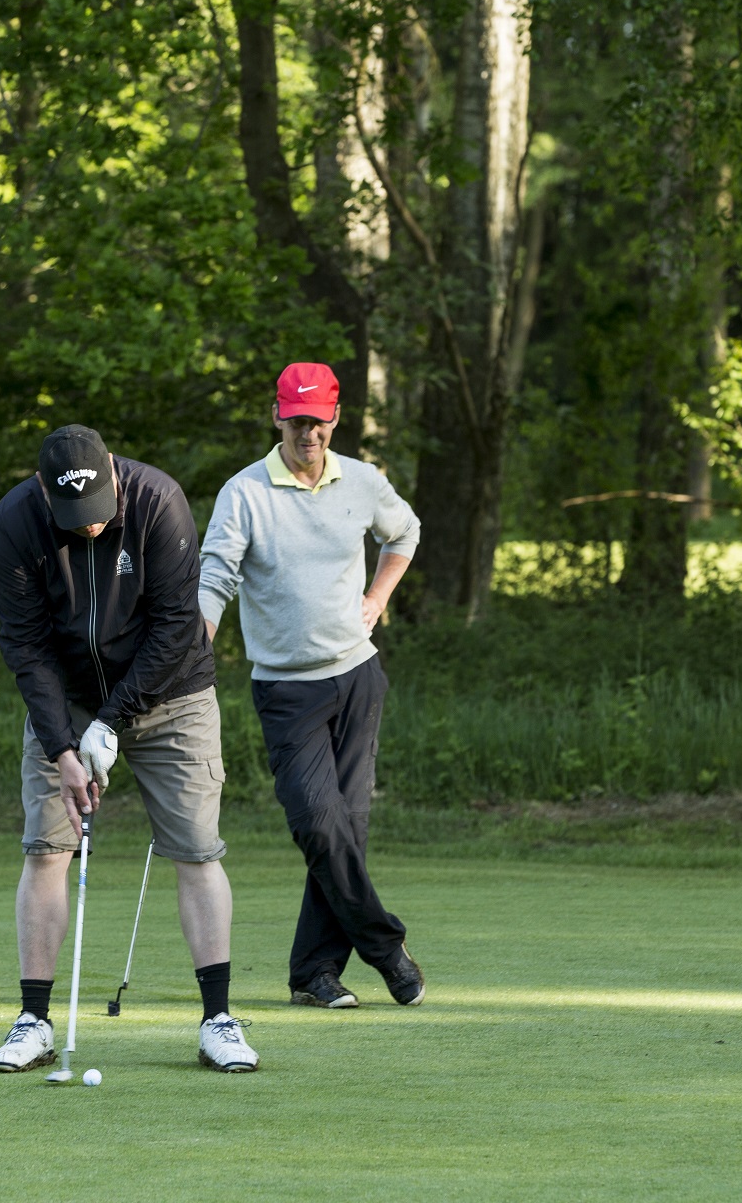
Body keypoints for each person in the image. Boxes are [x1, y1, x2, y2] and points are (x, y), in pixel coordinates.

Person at [0, 424, 257, 1074]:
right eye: (74, 519)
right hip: (67, 699)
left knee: (195, 849)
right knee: (47, 849)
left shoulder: (158, 501)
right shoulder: (16, 523)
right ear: (47, 496)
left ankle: (218, 1018)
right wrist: (64, 748)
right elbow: (27, 648)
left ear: (111, 470)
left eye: (99, 513)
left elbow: (177, 628)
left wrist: (112, 721)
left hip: (171, 693)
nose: (91, 530)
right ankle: (33, 1021)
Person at [198, 363, 425, 1011]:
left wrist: (378, 596)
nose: (309, 435)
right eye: (298, 422)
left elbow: (403, 531)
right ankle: (386, 949)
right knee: (321, 827)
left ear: (335, 418)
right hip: (288, 690)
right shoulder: (244, 494)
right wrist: (193, 650)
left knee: (346, 830)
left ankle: (314, 975)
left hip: (357, 676)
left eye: (319, 423)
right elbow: (215, 578)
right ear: (278, 418)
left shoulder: (361, 481)